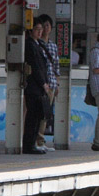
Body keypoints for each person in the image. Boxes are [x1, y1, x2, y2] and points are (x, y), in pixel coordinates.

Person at [23, 23, 50, 154]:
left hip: (38, 85)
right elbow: (36, 66)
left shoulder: (38, 44)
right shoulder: (30, 45)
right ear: (31, 30)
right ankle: (29, 145)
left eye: (41, 29)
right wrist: (43, 83)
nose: (40, 32)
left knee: (36, 116)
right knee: (32, 116)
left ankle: (32, 143)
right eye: (37, 29)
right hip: (34, 86)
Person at [35, 14, 59, 152]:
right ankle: (37, 140)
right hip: (41, 84)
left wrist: (57, 83)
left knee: (46, 114)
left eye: (48, 26)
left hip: (51, 83)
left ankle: (41, 139)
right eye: (43, 26)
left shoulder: (53, 46)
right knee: (39, 113)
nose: (45, 28)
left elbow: (56, 65)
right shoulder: (37, 44)